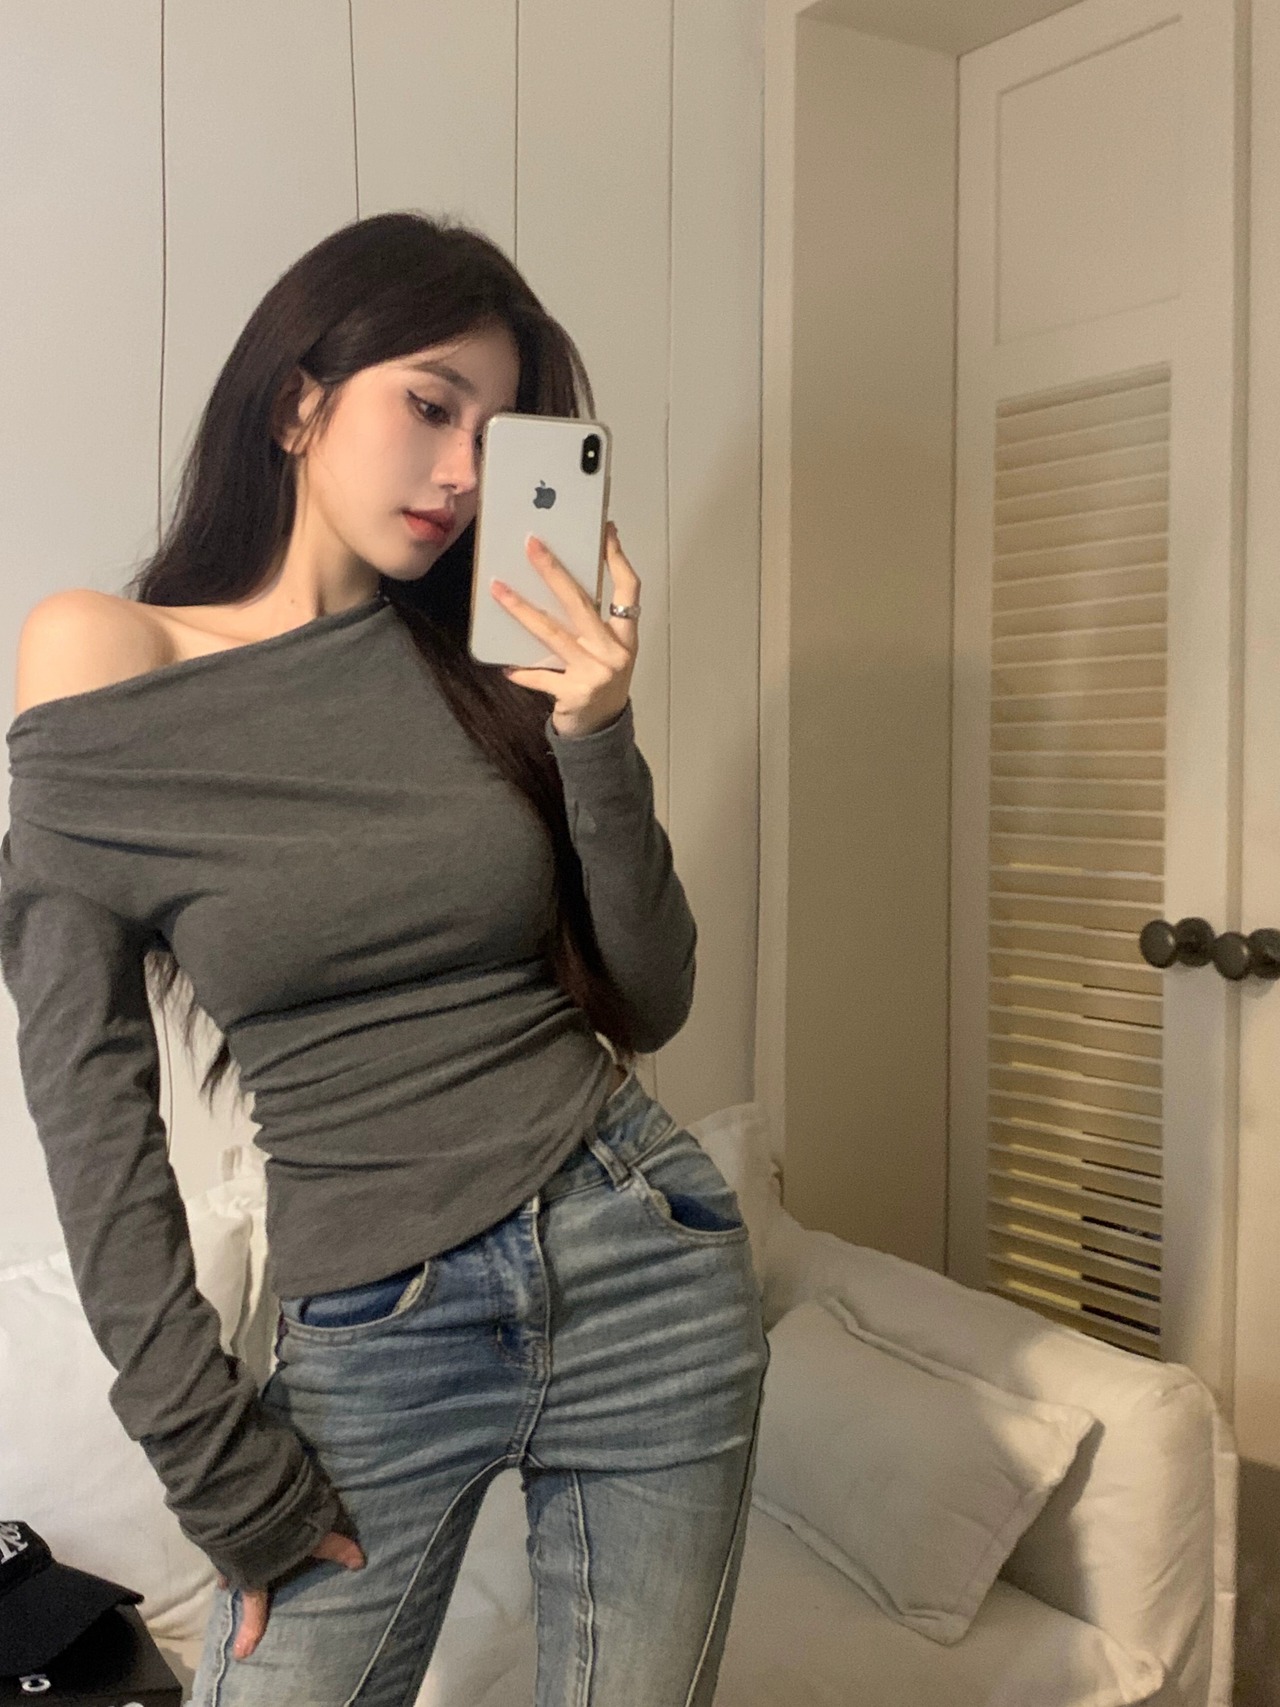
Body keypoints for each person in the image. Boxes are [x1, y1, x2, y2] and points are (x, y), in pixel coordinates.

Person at [0, 211, 769, 1706]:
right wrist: (211, 1458)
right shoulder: (104, 654)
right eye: (430, 404)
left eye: (497, 432)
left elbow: (655, 993)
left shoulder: (479, 659)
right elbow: (90, 1115)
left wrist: (595, 726)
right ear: (299, 402)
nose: (465, 471)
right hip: (376, 1326)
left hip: (643, 1254)